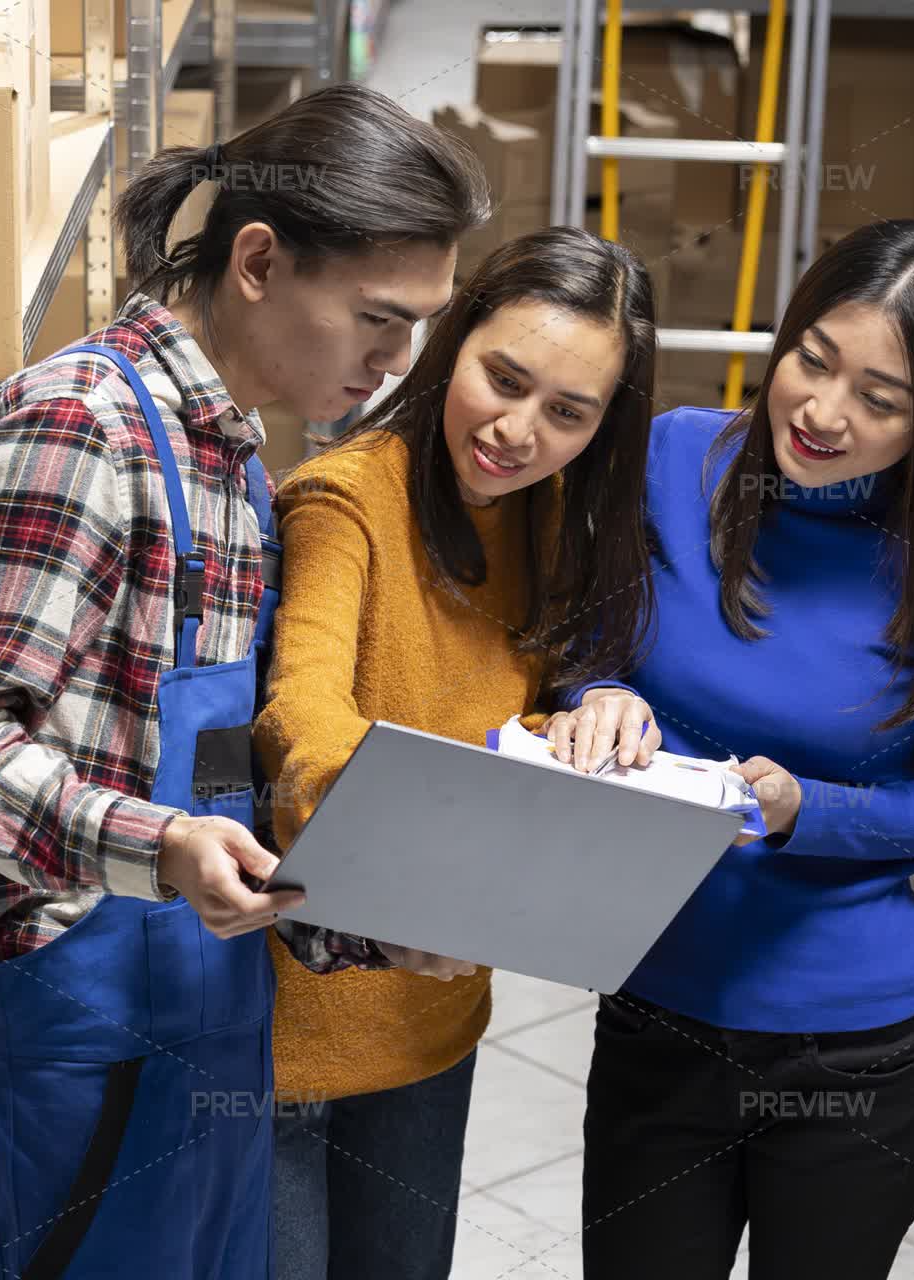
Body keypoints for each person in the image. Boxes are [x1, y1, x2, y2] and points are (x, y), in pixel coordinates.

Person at [0, 83, 494, 1279]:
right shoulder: (78, 428)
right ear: (258, 261)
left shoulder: (232, 466)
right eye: (378, 317)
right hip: (70, 1068)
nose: (397, 361)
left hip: (207, 1048)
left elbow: (217, 796)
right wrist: (160, 847)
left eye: (419, 325)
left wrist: (361, 921)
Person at [545, 219, 914, 1278]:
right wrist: (596, 695)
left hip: (856, 1052)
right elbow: (585, 647)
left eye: (880, 399)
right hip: (658, 1009)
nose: (822, 411)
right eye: (814, 359)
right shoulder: (674, 456)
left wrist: (809, 809)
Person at [253, 225, 662, 1280]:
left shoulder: (554, 522)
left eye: (567, 412)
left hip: (433, 1024)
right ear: (453, 340)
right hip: (293, 1032)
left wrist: (592, 716)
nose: (517, 432)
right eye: (503, 379)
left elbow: (515, 713)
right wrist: (410, 882)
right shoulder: (346, 500)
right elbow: (303, 720)